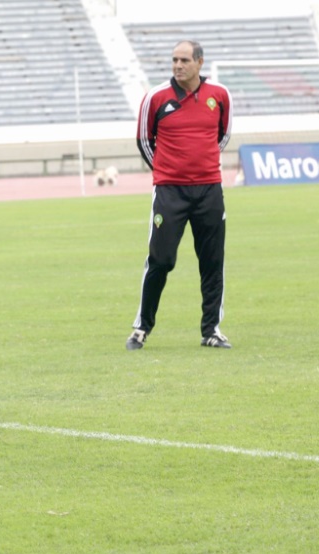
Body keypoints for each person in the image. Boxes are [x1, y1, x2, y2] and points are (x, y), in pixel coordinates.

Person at [127, 40, 234, 350]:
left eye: (185, 60)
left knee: (212, 261)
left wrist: (202, 166)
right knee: (160, 260)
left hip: (209, 190)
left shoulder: (219, 96)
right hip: (169, 192)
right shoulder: (156, 97)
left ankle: (211, 330)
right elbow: (144, 141)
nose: (178, 65)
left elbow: (222, 136)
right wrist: (166, 171)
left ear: (199, 62)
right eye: (174, 59)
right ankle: (141, 328)